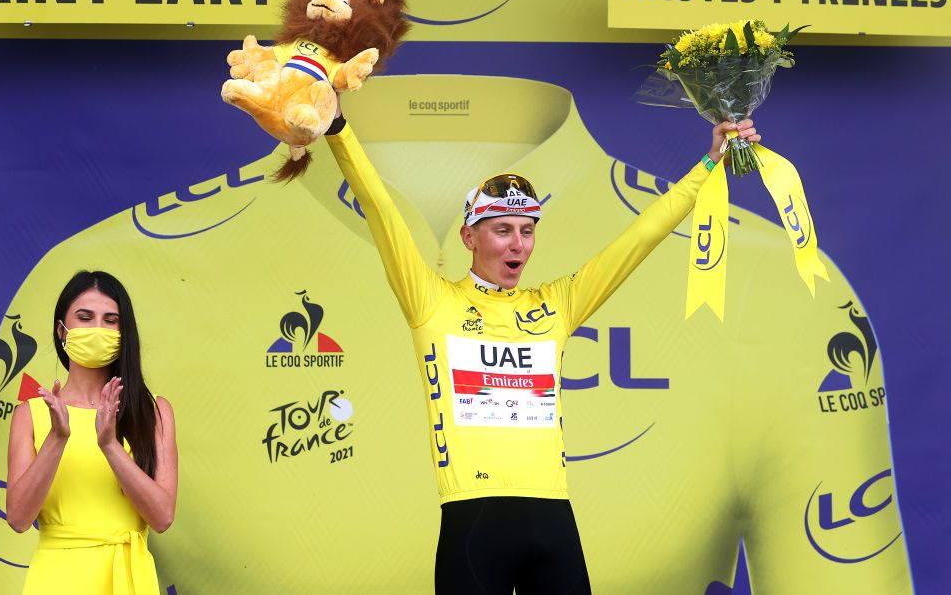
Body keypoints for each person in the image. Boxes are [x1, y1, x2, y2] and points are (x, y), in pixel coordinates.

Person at [322, 111, 760, 594]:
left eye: (527, 230)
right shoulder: (431, 302)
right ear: (469, 237)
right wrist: (339, 128)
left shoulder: (555, 304)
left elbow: (640, 238)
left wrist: (710, 163)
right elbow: (381, 209)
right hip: (474, 519)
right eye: (502, 229)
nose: (518, 244)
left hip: (553, 520)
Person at [6, 270, 178, 594]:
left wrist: (110, 445)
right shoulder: (31, 415)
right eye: (85, 318)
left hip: (129, 582)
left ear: (123, 331)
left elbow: (162, 516)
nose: (98, 329)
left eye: (110, 320)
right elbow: (17, 517)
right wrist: (57, 438)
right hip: (57, 581)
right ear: (62, 330)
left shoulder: (153, 412)